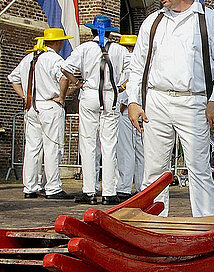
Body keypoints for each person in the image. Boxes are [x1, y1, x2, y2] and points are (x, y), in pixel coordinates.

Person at [126, 0, 214, 216]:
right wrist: (133, 101)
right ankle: (152, 225)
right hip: (156, 100)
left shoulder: (210, 21)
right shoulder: (152, 23)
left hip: (193, 101)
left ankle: (206, 225)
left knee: (199, 167)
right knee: (153, 168)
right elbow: (137, 65)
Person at [62, 16, 129, 204]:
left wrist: (77, 82)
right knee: (109, 145)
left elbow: (65, 67)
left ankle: (89, 191)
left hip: (90, 94)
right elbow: (134, 69)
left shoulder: (84, 49)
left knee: (88, 144)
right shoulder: (118, 50)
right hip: (110, 95)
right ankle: (109, 192)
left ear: (92, 31)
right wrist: (122, 86)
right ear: (109, 32)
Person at [9, 30, 75, 199]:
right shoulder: (54, 59)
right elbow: (64, 77)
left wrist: (25, 96)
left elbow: (13, 79)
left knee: (32, 148)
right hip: (49, 106)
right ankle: (53, 187)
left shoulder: (28, 58)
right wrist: (62, 96)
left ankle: (30, 187)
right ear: (58, 43)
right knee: (52, 147)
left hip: (31, 106)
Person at [115, 34, 143, 198]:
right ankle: (141, 185)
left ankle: (124, 187)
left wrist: (123, 104)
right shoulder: (142, 62)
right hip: (141, 110)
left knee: (126, 148)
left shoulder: (130, 63)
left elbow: (129, 86)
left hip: (128, 110)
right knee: (140, 150)